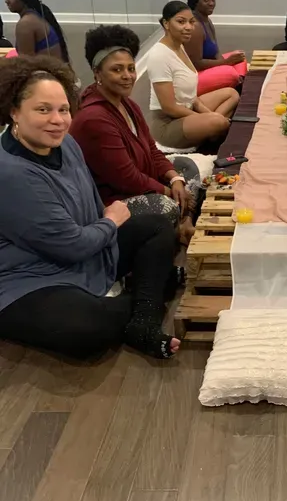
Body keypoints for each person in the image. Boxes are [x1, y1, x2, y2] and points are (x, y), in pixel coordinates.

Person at [0, 56, 181, 360]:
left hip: (86, 250)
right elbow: (71, 246)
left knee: (156, 225)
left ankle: (144, 317)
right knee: (90, 329)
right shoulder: (11, 174)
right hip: (29, 278)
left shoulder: (66, 144)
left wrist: (106, 222)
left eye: (63, 109)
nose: (57, 120)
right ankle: (148, 291)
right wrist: (110, 223)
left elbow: (92, 206)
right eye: (43, 109)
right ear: (14, 111)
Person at [71, 24, 201, 245]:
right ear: (97, 73)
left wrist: (175, 179)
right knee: (165, 206)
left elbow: (152, 150)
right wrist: (168, 191)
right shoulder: (94, 118)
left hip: (140, 182)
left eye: (131, 68)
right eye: (117, 69)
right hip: (114, 201)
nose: (127, 76)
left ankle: (184, 224)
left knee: (185, 167)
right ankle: (177, 227)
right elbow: (127, 179)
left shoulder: (128, 104)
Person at [147, 1, 239, 150]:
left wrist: (209, 115)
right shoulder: (159, 55)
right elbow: (169, 108)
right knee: (218, 122)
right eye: (181, 22)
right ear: (166, 23)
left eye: (191, 22)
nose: (189, 27)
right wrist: (208, 118)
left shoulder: (179, 46)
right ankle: (212, 129)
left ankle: (210, 129)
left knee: (232, 94)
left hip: (188, 108)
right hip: (168, 123)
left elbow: (193, 98)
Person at [184, 0, 247, 95]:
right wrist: (225, 63)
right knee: (230, 73)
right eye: (206, 0)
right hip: (196, 75)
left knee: (240, 58)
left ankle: (236, 84)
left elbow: (216, 52)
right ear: (195, 2)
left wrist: (225, 63)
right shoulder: (195, 26)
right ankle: (235, 85)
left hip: (209, 67)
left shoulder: (207, 20)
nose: (211, 3)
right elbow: (196, 64)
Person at [4, 0, 70, 63]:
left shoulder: (25, 23)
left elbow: (26, 64)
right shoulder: (36, 16)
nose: (6, 1)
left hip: (45, 70)